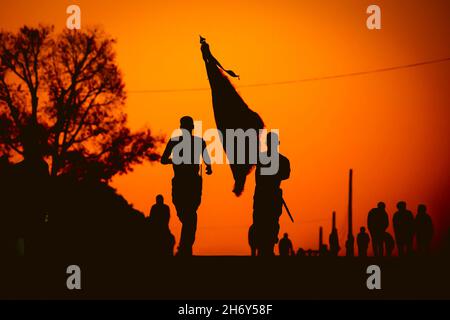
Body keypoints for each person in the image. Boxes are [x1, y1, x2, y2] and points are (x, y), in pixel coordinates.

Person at [161, 116, 212, 256]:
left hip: (190, 183)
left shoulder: (196, 142)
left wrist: (209, 167)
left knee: (189, 216)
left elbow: (163, 160)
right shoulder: (179, 142)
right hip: (184, 183)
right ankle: (185, 246)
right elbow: (163, 160)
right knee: (187, 216)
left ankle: (185, 247)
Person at [251, 132, 290, 256]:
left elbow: (285, 174)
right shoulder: (282, 160)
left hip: (265, 196)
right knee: (267, 222)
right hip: (268, 196)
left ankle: (266, 247)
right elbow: (285, 175)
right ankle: (266, 247)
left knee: (266, 222)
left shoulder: (260, 158)